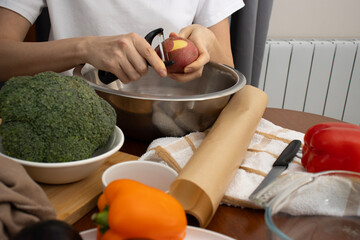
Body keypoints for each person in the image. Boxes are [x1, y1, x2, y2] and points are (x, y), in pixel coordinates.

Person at [0, 1, 244, 83]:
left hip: (176, 125)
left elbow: (231, 77)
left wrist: (209, 43)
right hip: (71, 115)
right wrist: (84, 48)